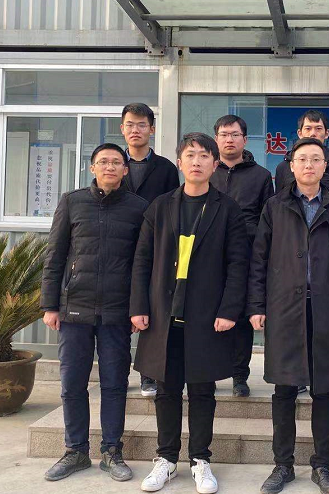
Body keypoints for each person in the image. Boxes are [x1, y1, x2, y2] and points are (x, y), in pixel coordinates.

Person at [130, 133, 249, 494]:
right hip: (163, 314)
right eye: (190, 155)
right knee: (166, 390)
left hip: (207, 315)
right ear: (179, 163)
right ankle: (166, 459)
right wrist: (138, 306)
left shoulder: (227, 209)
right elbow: (142, 260)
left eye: (204, 156)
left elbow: (238, 264)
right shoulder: (160, 206)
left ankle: (200, 459)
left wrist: (229, 309)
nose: (197, 162)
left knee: (202, 390)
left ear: (215, 164)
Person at [247, 137, 329, 494]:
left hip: (326, 309)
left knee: (324, 389)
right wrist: (257, 306)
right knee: (284, 389)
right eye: (302, 159)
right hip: (284, 308)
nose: (309, 165)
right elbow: (259, 259)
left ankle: (322, 465)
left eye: (316, 159)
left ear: (325, 166)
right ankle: (283, 464)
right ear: (291, 166)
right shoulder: (275, 205)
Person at [41, 143, 148, 483]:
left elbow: (142, 264)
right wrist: (50, 305)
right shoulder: (72, 202)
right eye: (103, 162)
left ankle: (112, 451)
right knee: (72, 383)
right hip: (74, 308)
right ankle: (75, 450)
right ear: (92, 167)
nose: (110, 167)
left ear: (125, 169)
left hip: (117, 311)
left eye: (117, 162)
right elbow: (55, 255)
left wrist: (138, 308)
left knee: (115, 384)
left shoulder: (138, 207)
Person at [210, 114, 274, 397]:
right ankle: (209, 372)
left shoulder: (261, 176)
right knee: (209, 313)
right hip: (209, 256)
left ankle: (240, 375)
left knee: (241, 318)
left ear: (245, 140)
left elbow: (266, 220)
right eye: (224, 135)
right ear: (216, 139)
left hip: (246, 256)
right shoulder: (207, 171)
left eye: (235, 135)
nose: (229, 140)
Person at [120, 102, 181, 397]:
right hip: (118, 247)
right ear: (122, 129)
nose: (136, 130)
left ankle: (149, 374)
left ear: (152, 129)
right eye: (130, 124)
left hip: (155, 248)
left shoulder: (166, 168)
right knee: (120, 312)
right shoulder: (113, 162)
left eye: (142, 125)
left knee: (152, 311)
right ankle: (119, 374)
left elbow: (172, 208)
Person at [274, 109, 329, 198]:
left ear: (327, 133)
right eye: (308, 128)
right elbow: (277, 203)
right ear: (299, 133)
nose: (313, 134)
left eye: (318, 129)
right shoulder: (283, 167)